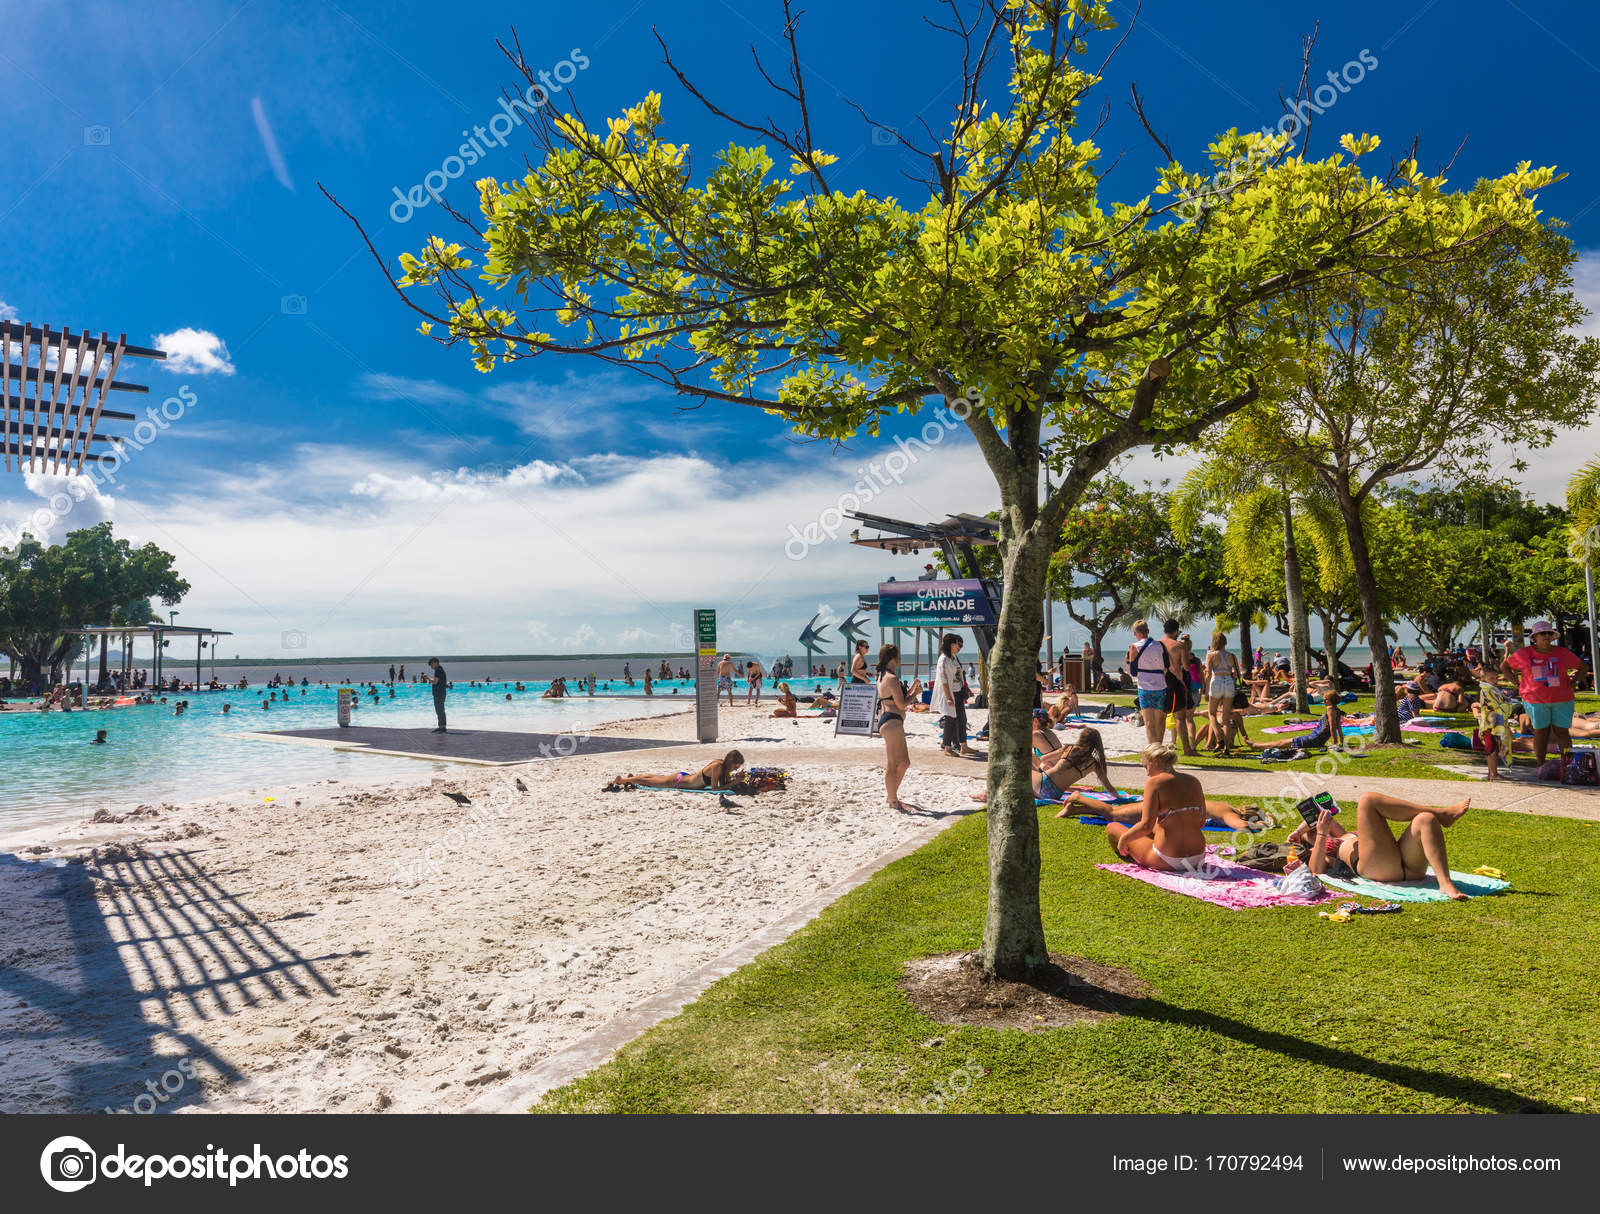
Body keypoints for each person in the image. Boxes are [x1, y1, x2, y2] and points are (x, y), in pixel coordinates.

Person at [1288, 791, 1473, 900]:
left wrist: (1298, 831)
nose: (1314, 829)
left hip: (1407, 866)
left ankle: (1445, 882)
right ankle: (1443, 815)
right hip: (1377, 868)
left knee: (1425, 819)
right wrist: (1319, 834)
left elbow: (1323, 812)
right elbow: (1316, 870)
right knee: (1368, 799)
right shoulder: (1321, 850)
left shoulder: (1341, 834)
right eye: (1309, 834)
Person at [1105, 743, 1210, 874]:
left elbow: (1145, 826)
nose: (1147, 773)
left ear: (1155, 761)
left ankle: (1125, 851)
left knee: (1113, 827)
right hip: (1197, 857)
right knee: (1159, 825)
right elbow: (1201, 821)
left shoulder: (1154, 783)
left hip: (1166, 859)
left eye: (1146, 767)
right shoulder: (1194, 781)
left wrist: (1124, 839)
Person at [1502, 621, 1583, 774]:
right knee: (1541, 731)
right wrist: (1515, 682)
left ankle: (1569, 766)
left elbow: (1583, 667)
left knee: (1562, 731)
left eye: (1549, 633)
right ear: (1534, 637)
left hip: (1562, 699)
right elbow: (1504, 667)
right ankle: (1540, 765)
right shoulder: (1524, 654)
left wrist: (1575, 682)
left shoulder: (1562, 653)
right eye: (1542, 633)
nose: (1546, 636)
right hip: (1534, 699)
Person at [875, 644, 922, 811]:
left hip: (890, 720)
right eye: (898, 656)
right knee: (893, 763)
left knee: (904, 763)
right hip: (892, 721)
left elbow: (895, 698)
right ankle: (893, 799)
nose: (900, 659)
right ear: (892, 659)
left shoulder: (882, 676)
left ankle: (892, 795)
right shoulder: (892, 678)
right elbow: (902, 704)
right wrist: (915, 694)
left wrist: (911, 689)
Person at [610, 750, 746, 790]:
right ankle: (622, 780)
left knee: (653, 778)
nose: (736, 769)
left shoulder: (721, 765)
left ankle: (632, 778)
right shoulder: (717, 766)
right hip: (679, 781)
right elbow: (715, 788)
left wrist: (734, 777)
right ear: (731, 762)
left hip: (684, 777)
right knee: (651, 781)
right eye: (736, 766)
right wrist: (734, 782)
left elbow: (721, 783)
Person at [1127, 619, 1169, 747]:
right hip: (1161, 685)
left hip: (1145, 687)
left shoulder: (1134, 647)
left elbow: (1133, 672)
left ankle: (1153, 750)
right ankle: (1159, 747)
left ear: (1135, 633)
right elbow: (1167, 665)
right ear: (1148, 631)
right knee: (1160, 720)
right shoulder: (1160, 645)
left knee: (1149, 722)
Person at [1161, 619, 1198, 757]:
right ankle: (1187, 750)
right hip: (1176, 682)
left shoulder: (1157, 644)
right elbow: (1187, 667)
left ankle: (1157, 748)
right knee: (1180, 717)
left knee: (1160, 717)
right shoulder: (1178, 646)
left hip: (1160, 682)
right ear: (1176, 631)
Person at [1202, 632, 1240, 755]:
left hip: (1217, 681)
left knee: (1212, 713)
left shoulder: (1211, 655)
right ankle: (1227, 748)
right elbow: (1238, 672)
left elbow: (1208, 674)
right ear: (1225, 642)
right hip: (1228, 682)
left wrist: (1206, 690)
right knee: (1226, 718)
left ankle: (1219, 739)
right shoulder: (1232, 656)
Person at [932, 633, 965, 758]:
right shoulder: (944, 659)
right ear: (952, 644)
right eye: (958, 644)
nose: (960, 647)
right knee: (950, 719)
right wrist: (948, 697)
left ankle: (964, 746)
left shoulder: (953, 657)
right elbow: (944, 680)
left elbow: (959, 674)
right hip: (950, 693)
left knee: (962, 719)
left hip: (958, 691)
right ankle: (947, 747)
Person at [427, 657, 449, 733]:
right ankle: (441, 726)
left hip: (439, 693)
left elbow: (435, 682)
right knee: (439, 710)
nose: (431, 667)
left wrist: (427, 678)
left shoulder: (438, 670)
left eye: (431, 665)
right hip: (439, 693)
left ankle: (443, 727)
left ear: (435, 662)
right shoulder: (439, 670)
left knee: (440, 710)